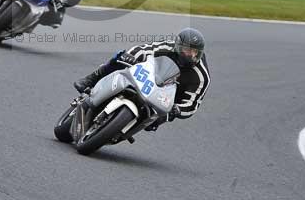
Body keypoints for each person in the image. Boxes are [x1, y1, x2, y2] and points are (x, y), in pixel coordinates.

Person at [73, 28, 210, 129]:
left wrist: (178, 110)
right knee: (121, 57)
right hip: (149, 76)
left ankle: (121, 128)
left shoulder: (201, 76)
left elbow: (192, 104)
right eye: (187, 49)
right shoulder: (167, 47)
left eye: (195, 52)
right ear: (178, 46)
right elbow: (143, 49)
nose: (190, 55)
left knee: (154, 123)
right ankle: (91, 79)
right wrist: (130, 56)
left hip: (166, 99)